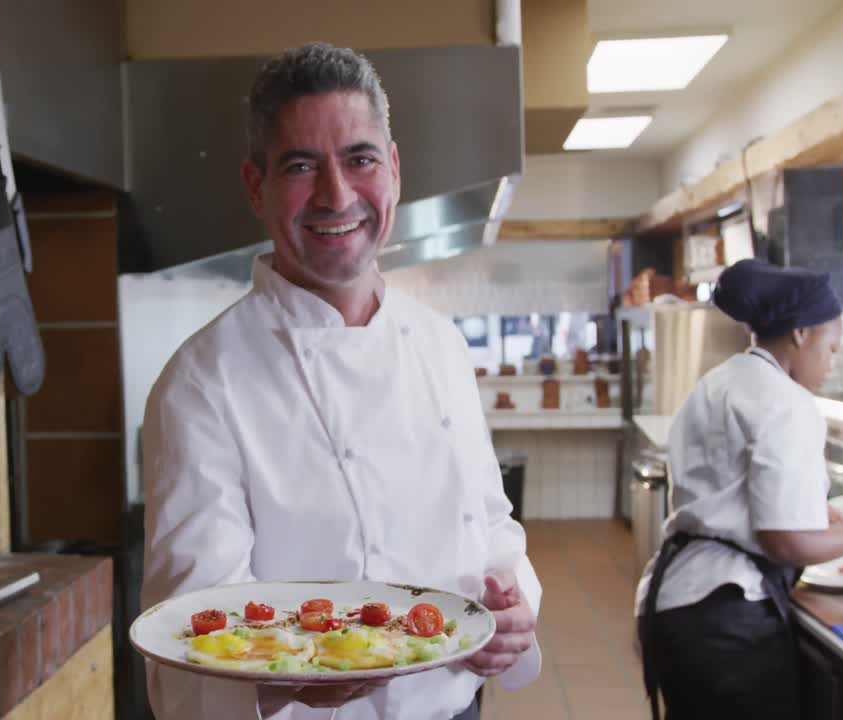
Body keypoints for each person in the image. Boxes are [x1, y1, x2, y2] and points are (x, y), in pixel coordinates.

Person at [140, 42, 542, 720]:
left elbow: (492, 524)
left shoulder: (440, 345)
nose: (336, 195)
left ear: (393, 169)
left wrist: (513, 607)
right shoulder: (203, 382)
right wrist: (281, 680)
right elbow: (192, 621)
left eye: (359, 159)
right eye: (301, 165)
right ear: (255, 186)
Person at [635, 258, 843, 720]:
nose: (832, 362)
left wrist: (811, 509)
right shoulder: (787, 402)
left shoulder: (720, 382)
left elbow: (727, 492)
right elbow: (786, 542)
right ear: (801, 335)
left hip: (677, 604)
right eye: (831, 346)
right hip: (725, 619)